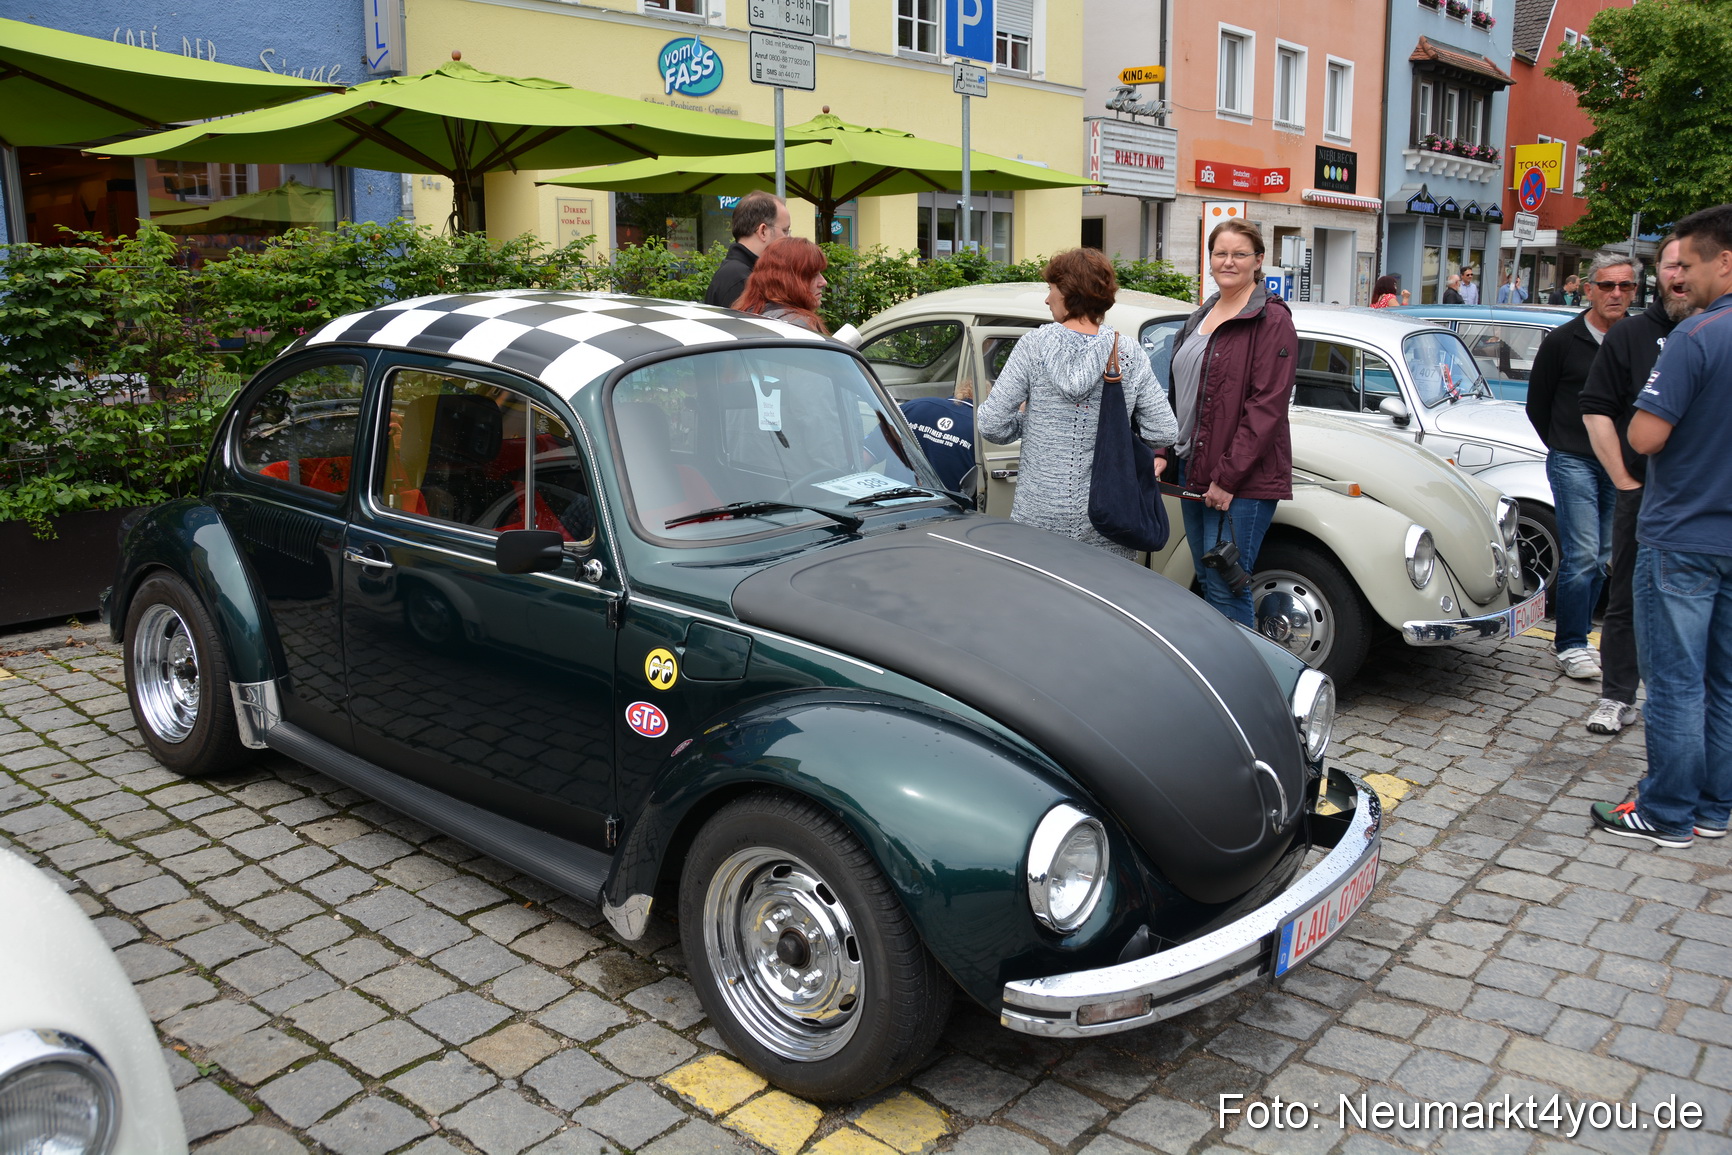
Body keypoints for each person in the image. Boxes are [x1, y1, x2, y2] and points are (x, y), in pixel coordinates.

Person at [1589, 203, 1732, 848]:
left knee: (1674, 681)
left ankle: (1668, 811)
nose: (1681, 278)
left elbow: (1645, 435)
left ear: (1724, 262)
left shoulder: (1694, 338)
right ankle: (1715, 806)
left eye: (1690, 265)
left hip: (1681, 536)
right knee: (1723, 682)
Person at [978, 248, 1177, 560]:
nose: (1047, 299)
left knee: (1043, 603)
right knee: (1103, 605)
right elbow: (1163, 432)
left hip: (1037, 515)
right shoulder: (1127, 352)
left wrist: (1030, 422)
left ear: (1068, 293)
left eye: (1051, 289)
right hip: (1108, 515)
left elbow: (991, 425)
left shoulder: (1032, 347)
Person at [1578, 237, 1697, 735]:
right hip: (1643, 494)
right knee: (1625, 596)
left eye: (1688, 266)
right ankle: (1618, 695)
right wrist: (1623, 480)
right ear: (1660, 273)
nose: (1679, 276)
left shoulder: (1713, 332)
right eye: (1672, 265)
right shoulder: (1629, 337)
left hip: (1703, 499)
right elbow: (1595, 408)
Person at [1161, 220, 1298, 625]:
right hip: (1194, 466)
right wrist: (1162, 451)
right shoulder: (1202, 315)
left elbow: (1266, 406)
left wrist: (1228, 478)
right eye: (1221, 253)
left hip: (1242, 479)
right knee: (1206, 577)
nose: (1228, 262)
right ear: (1210, 259)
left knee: (1227, 580)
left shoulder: (1270, 319)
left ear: (1259, 262)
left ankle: (1252, 680)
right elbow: (1180, 395)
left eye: (1240, 254)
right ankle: (1224, 672)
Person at [1525, 253, 1639, 681]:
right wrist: (1561, 444)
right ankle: (1570, 643)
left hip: (1620, 463)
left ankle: (1583, 635)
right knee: (1584, 553)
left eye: (1625, 286)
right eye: (1607, 285)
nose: (1615, 294)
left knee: (1606, 554)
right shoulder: (1563, 340)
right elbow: (1538, 403)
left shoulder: (1635, 338)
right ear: (1588, 289)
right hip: (1573, 458)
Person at [703, 191, 790, 308]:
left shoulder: (739, 273)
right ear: (763, 231)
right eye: (785, 230)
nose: (788, 238)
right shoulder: (741, 280)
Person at [732, 237, 829, 333]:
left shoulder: (749, 313)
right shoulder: (797, 325)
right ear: (787, 280)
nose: (823, 282)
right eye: (813, 275)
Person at [901, 380, 976, 493]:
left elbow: (870, 451)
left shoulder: (915, 405)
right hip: (947, 505)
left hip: (892, 497)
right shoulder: (981, 427)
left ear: (959, 391)